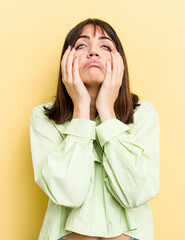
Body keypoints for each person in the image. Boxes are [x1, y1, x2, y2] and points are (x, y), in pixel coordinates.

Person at [29, 18, 160, 240]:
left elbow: (137, 192)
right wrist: (81, 109)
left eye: (105, 46)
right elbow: (68, 194)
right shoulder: (43, 118)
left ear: (120, 62)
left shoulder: (143, 114)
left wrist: (106, 111)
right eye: (81, 45)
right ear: (66, 61)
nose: (93, 53)